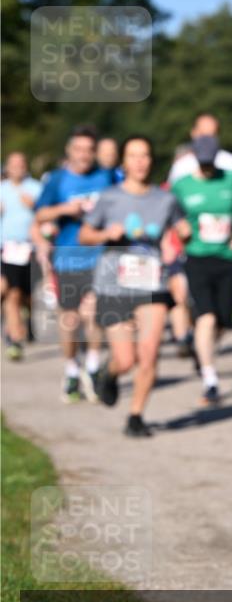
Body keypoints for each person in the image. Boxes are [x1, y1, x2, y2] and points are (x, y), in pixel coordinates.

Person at [79, 135, 190, 437]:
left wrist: (185, 232)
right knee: (126, 359)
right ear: (124, 162)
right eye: (133, 156)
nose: (140, 162)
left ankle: (136, 416)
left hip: (152, 282)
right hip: (114, 285)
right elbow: (84, 235)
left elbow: (182, 228)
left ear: (151, 161)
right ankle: (111, 372)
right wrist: (106, 234)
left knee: (149, 353)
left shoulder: (165, 199)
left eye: (145, 155)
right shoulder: (109, 197)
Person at [171, 134, 232, 406]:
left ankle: (202, 350)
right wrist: (178, 228)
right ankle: (210, 380)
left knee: (221, 322)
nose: (207, 167)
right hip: (197, 257)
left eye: (211, 162)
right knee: (206, 317)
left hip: (228, 257)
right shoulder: (182, 185)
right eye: (203, 162)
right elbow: (169, 212)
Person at [34, 126, 113, 402]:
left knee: (93, 312)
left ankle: (92, 367)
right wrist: (65, 209)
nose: (84, 155)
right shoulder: (57, 180)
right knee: (70, 320)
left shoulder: (106, 176)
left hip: (99, 256)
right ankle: (71, 369)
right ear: (69, 151)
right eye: (78, 149)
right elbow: (40, 215)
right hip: (67, 259)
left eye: (89, 150)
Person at [0, 152, 42, 360]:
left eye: (21, 163)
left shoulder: (36, 188)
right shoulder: (1, 189)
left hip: (31, 248)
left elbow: (47, 214)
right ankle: (14, 340)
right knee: (11, 292)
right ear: (7, 167)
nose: (17, 167)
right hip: (6, 247)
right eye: (13, 164)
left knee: (28, 295)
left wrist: (35, 206)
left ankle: (27, 320)